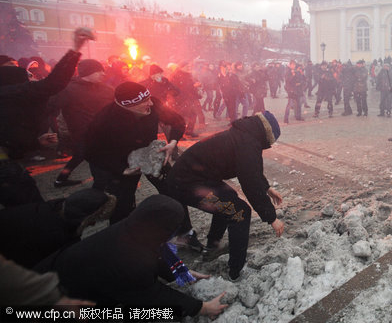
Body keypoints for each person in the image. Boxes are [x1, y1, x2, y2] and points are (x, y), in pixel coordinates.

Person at [35, 195, 228, 319]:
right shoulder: (128, 260)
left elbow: (157, 251)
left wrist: (182, 272)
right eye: (173, 227)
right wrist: (201, 308)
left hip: (65, 277)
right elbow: (152, 294)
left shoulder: (134, 229)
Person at [167, 111, 284, 281]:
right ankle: (235, 270)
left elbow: (252, 170)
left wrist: (267, 188)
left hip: (196, 179)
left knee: (229, 196)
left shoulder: (245, 135)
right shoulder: (247, 143)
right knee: (239, 212)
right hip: (187, 184)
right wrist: (271, 217)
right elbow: (250, 182)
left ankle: (212, 246)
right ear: (266, 135)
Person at [0, 28, 94, 207]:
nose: (24, 73)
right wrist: (75, 49)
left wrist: (36, 143)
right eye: (13, 68)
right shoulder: (13, 92)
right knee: (31, 210)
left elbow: (10, 135)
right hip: (5, 170)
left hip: (9, 163)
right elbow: (53, 83)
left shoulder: (11, 95)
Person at [84, 81, 186, 224]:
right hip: (123, 163)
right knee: (122, 206)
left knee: (173, 191)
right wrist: (121, 170)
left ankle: (185, 232)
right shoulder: (104, 120)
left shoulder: (153, 103)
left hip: (152, 154)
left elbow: (178, 121)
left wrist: (173, 142)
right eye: (144, 102)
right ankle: (123, 238)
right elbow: (90, 152)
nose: (150, 103)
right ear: (127, 105)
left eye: (149, 98)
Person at [0, 188, 115, 268]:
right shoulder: (55, 236)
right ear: (85, 219)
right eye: (93, 221)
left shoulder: (56, 206)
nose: (93, 224)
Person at [48, 59, 114, 187]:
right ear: (88, 72)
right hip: (81, 132)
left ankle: (61, 179)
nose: (103, 74)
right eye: (99, 71)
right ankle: (100, 187)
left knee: (81, 155)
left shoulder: (105, 88)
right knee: (91, 156)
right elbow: (50, 109)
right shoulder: (68, 89)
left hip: (102, 131)